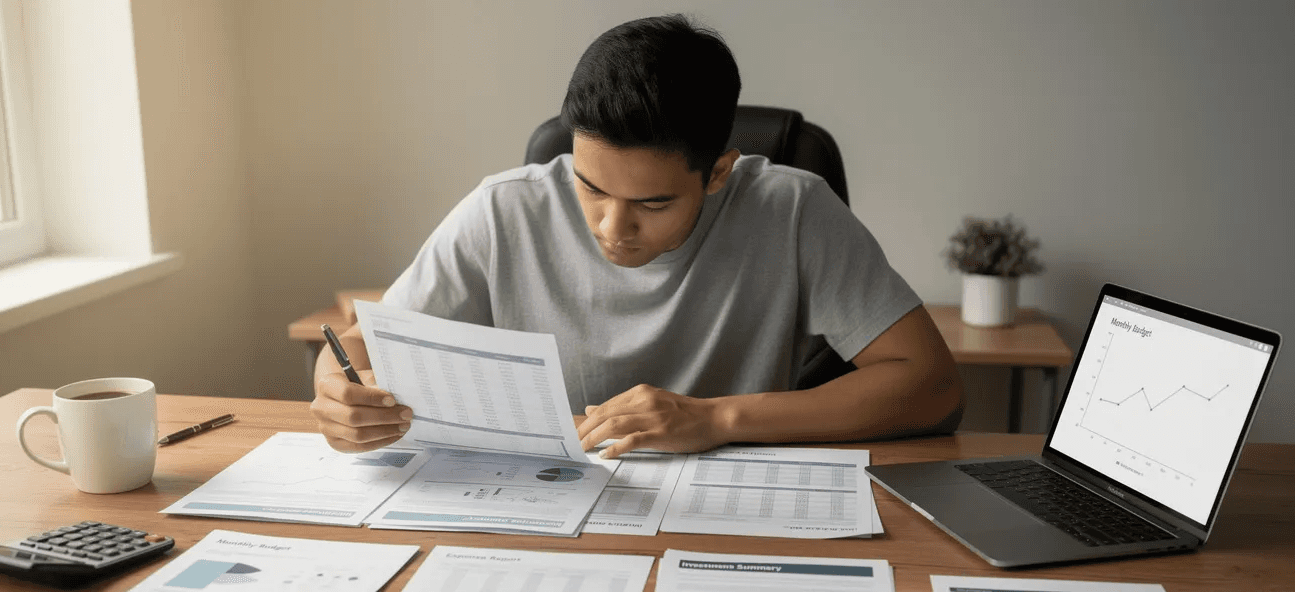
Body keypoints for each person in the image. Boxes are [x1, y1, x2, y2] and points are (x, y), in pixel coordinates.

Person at [312, 14, 963, 459]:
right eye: (591, 187)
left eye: (651, 202)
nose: (611, 229)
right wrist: (339, 394)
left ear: (718, 173)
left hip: (728, 505)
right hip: (552, 496)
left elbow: (931, 385)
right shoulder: (503, 209)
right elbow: (357, 349)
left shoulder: (793, 210)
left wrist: (716, 419)